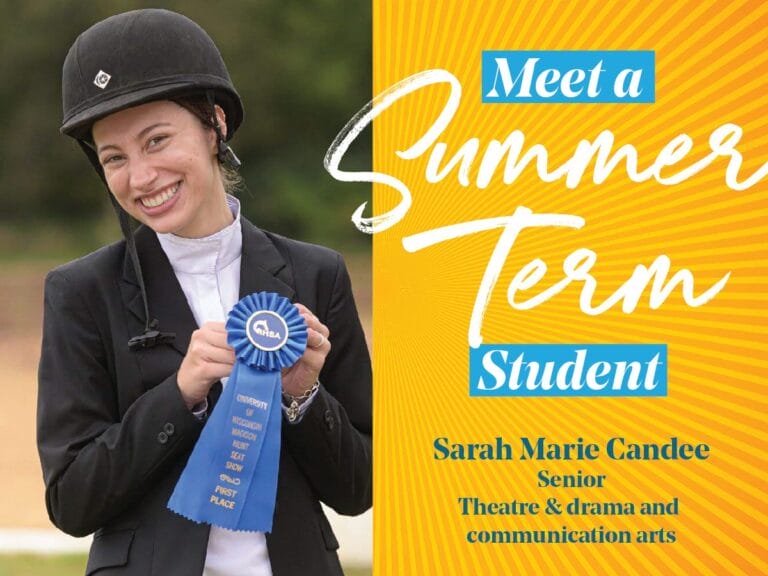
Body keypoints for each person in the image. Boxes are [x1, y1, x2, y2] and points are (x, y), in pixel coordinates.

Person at [36, 9, 371, 576]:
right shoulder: (80, 293)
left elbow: (359, 488)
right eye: (115, 158)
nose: (140, 177)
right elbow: (71, 500)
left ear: (215, 124)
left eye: (157, 140)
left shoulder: (318, 274)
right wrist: (180, 393)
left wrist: (304, 397)